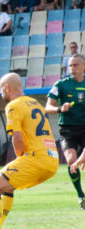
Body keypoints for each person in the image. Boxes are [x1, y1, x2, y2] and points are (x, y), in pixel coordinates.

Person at [0, 73, 58, 229]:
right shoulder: (36, 104)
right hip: (52, 160)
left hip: (35, 158)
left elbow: (17, 138)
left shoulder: (13, 106)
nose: (0, 92)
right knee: (7, 188)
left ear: (7, 88)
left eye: (0, 88)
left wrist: (20, 158)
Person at [46, 54, 85, 209]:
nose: (72, 69)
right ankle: (81, 195)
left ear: (83, 66)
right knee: (71, 161)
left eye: (75, 65)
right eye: (70, 66)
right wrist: (60, 108)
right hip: (68, 129)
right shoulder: (61, 85)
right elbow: (48, 107)